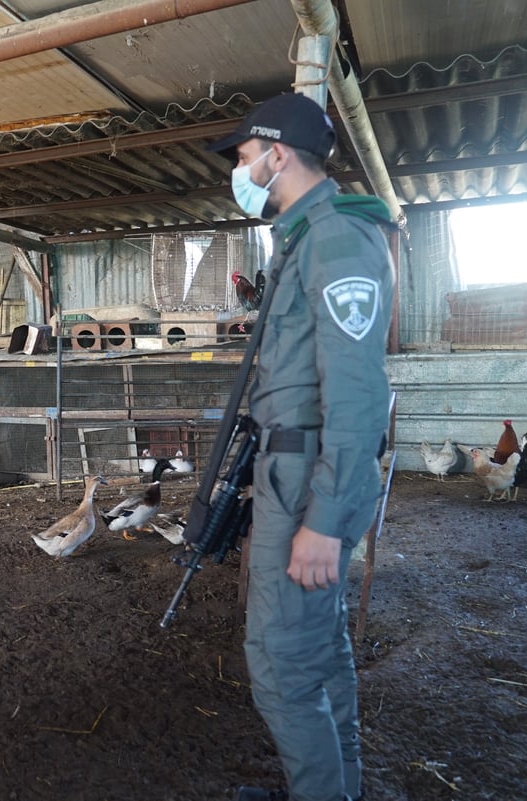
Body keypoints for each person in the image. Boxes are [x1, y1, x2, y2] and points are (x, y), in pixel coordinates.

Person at [206, 93, 394, 801]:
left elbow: (357, 393)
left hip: (310, 482)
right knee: (320, 653)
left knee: (283, 665)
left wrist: (327, 518)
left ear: (277, 154)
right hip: (289, 472)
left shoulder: (338, 240)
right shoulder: (304, 238)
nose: (243, 168)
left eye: (246, 156)